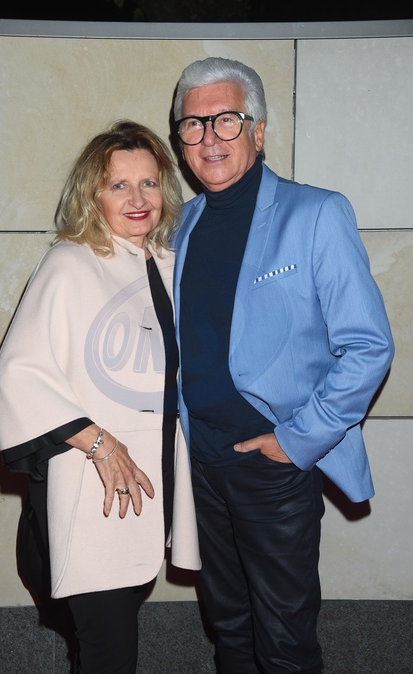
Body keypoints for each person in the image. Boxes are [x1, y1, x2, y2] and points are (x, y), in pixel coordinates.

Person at [171, 57, 394, 674]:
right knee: (228, 628)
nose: (209, 137)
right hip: (199, 463)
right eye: (193, 124)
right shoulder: (179, 225)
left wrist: (296, 441)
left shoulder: (316, 214)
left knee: (284, 642)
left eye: (227, 120)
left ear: (259, 130)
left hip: (273, 466)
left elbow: (369, 345)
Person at [0, 119, 200, 674]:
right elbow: (17, 374)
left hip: (154, 481)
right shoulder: (70, 261)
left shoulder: (169, 261)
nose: (138, 199)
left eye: (149, 183)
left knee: (113, 630)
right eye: (119, 185)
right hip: (93, 484)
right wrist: (100, 444)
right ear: (92, 195)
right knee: (110, 648)